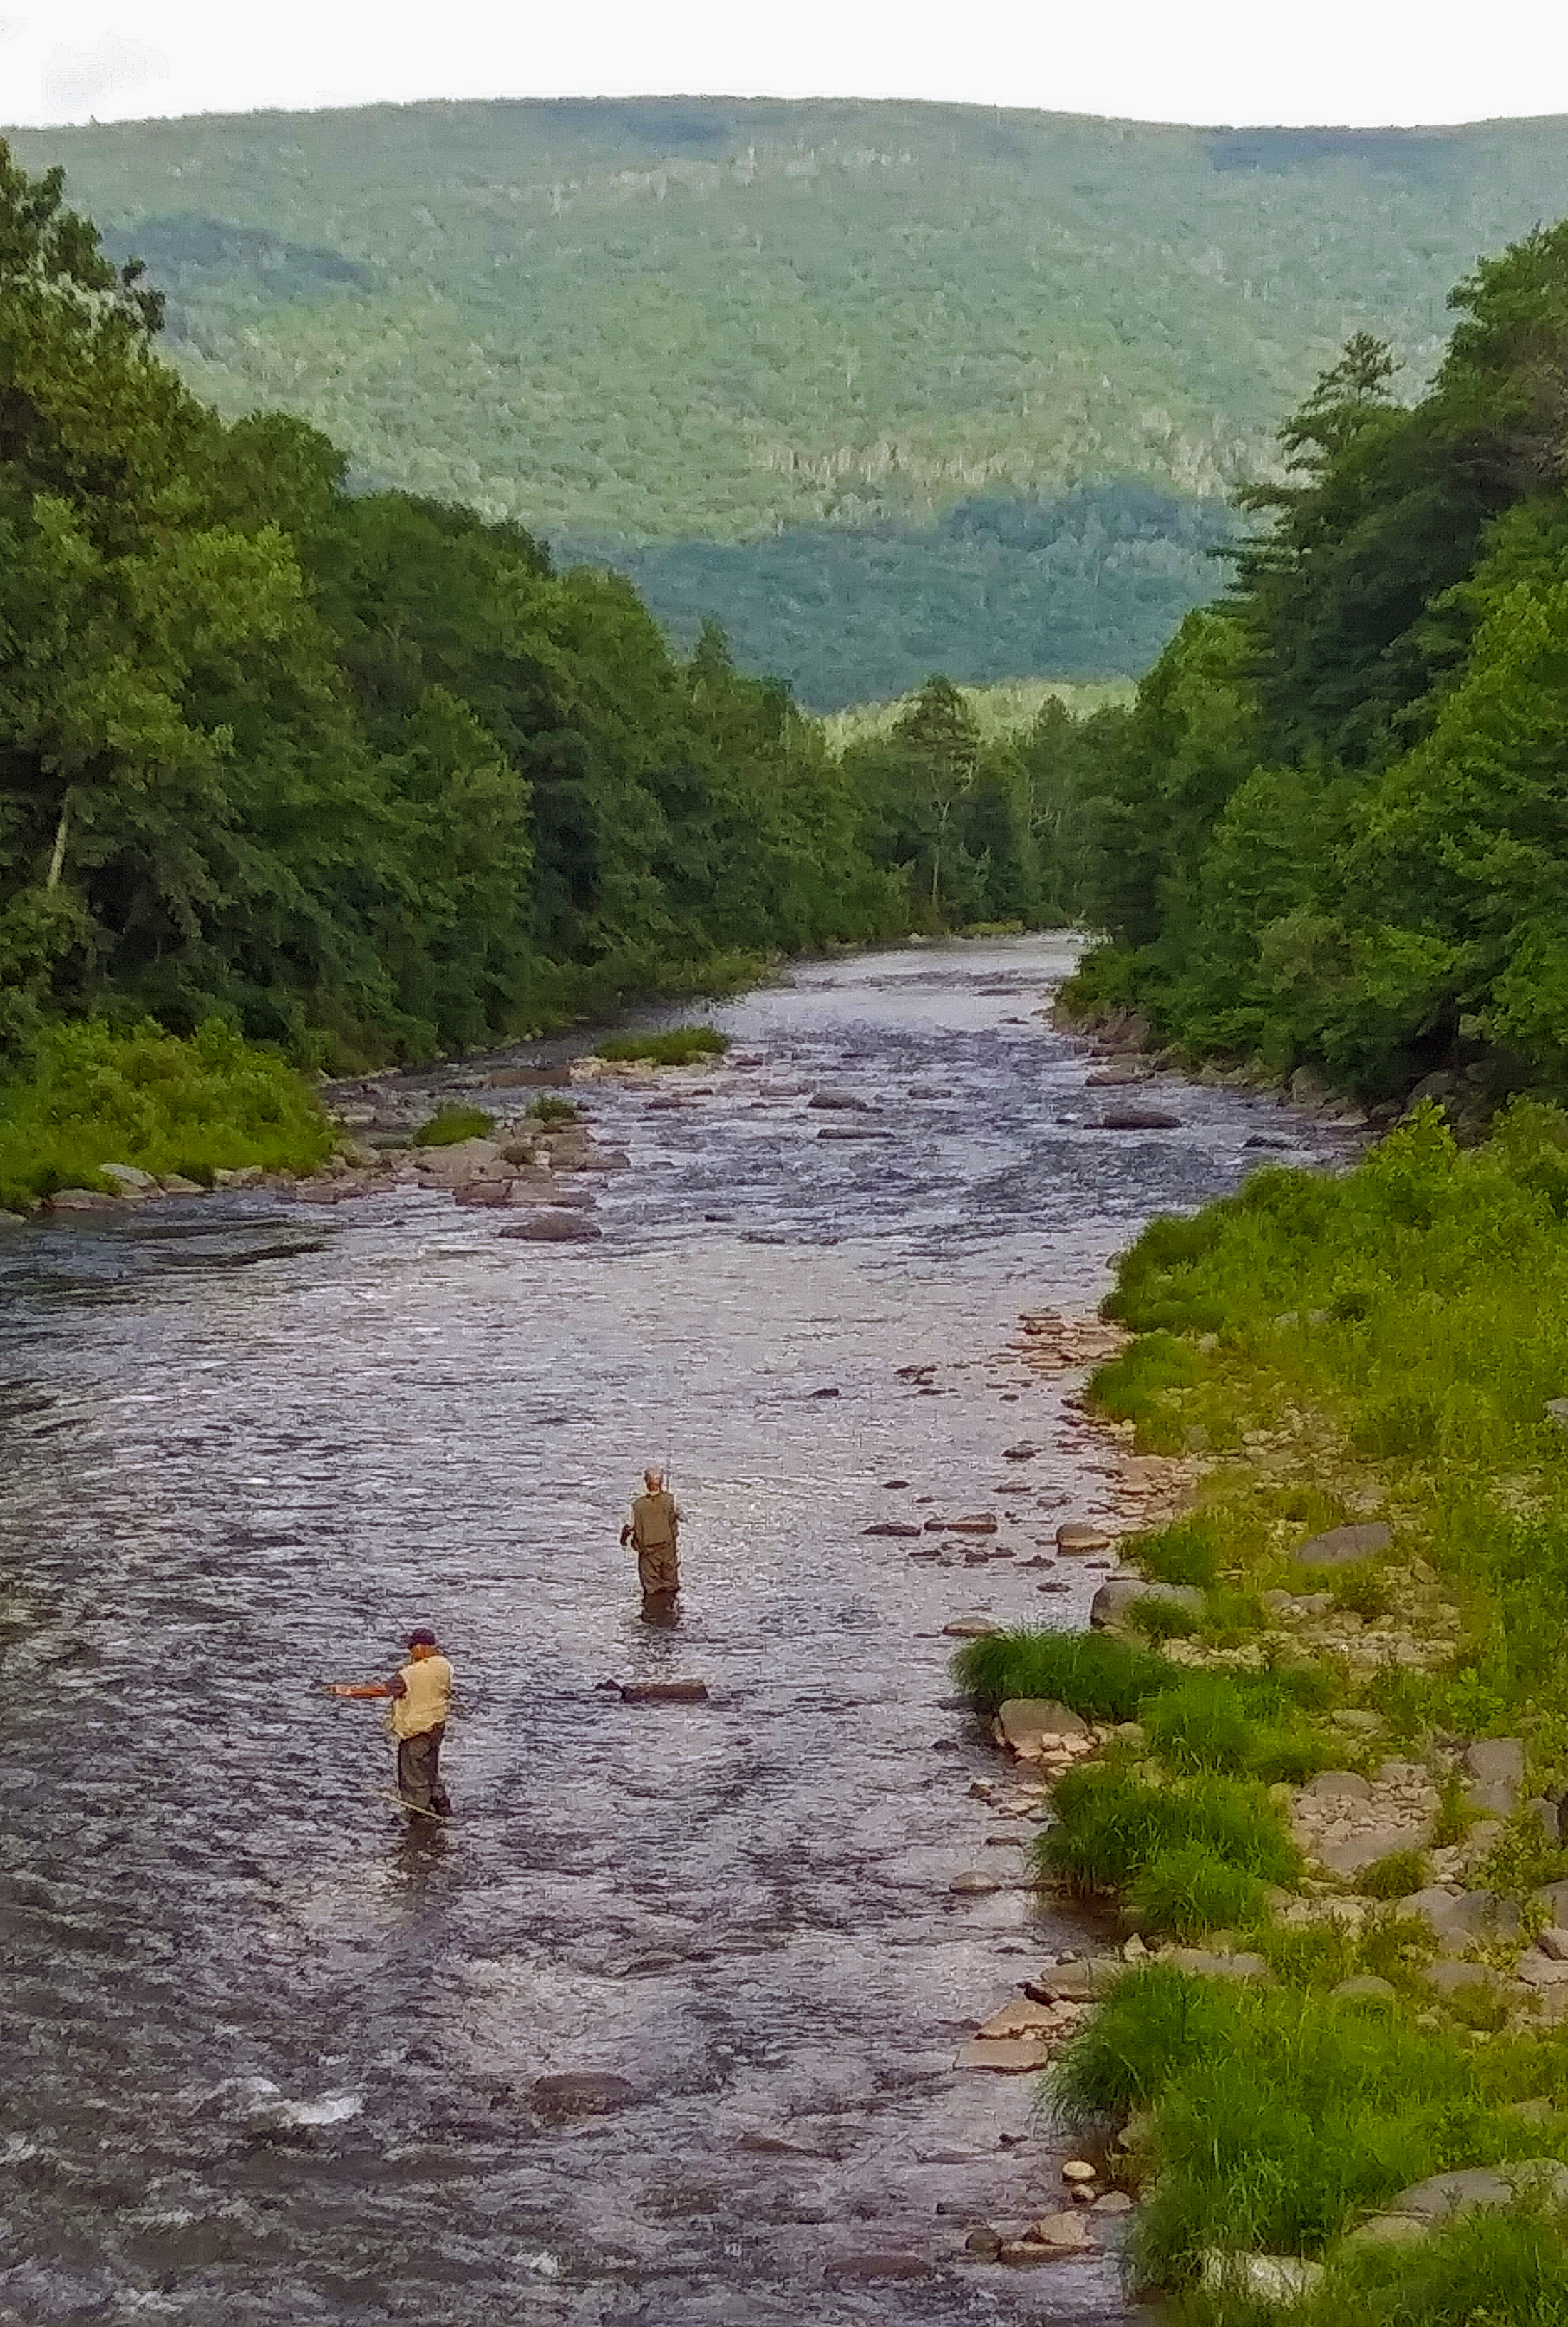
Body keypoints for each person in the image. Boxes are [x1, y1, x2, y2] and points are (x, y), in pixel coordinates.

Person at [326, 1628, 454, 1817]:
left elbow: (382, 1690)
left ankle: (420, 1818)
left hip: (416, 1733)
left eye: (412, 1648)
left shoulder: (409, 1674)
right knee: (431, 1772)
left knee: (413, 1779)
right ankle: (443, 1810)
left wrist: (348, 1691)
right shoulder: (444, 1666)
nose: (410, 1652)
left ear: (420, 1647)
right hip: (436, 1729)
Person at [621, 1469, 682, 1605]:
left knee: (651, 1590)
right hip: (668, 1550)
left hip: (647, 1553)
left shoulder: (637, 1506)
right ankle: (671, 1613)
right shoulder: (670, 1500)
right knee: (671, 1586)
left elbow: (628, 1527)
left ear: (646, 1483)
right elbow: (683, 1517)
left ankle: (652, 1615)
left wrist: (623, 1541)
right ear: (661, 1483)